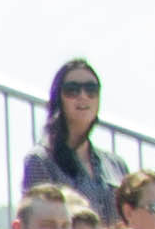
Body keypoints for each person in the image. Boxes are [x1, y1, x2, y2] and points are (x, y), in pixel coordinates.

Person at [30, 59, 125, 213]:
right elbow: (39, 220)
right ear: (58, 98)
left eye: (91, 89)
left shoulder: (115, 164)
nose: (83, 96)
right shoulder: (40, 160)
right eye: (72, 90)